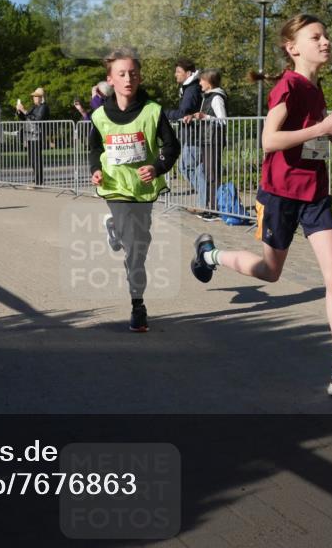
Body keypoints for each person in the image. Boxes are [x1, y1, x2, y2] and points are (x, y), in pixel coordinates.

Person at [189, 14, 332, 397]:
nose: (326, 41)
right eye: (316, 37)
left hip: (315, 194)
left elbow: (311, 143)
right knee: (270, 272)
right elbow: (269, 140)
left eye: (327, 35)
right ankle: (209, 255)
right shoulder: (289, 86)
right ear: (294, 48)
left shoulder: (316, 88)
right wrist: (320, 129)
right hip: (280, 194)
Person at [89, 47, 180, 333]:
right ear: (110, 79)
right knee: (133, 245)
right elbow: (94, 147)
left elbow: (171, 146)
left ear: (139, 78)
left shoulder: (153, 111)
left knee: (141, 243)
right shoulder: (100, 115)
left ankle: (115, 228)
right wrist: (95, 169)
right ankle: (138, 306)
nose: (128, 78)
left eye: (133, 74)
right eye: (122, 74)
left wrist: (156, 167)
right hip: (115, 185)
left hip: (143, 188)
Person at [181, 69, 228, 221]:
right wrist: (196, 116)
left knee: (212, 174)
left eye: (202, 80)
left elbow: (223, 120)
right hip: (206, 139)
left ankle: (214, 209)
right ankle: (210, 206)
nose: (199, 83)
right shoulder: (207, 97)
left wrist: (205, 116)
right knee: (207, 173)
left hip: (213, 140)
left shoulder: (216, 98)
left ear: (209, 82)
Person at [164, 58, 204, 208]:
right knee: (196, 169)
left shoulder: (192, 89)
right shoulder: (189, 88)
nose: (176, 74)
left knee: (185, 167)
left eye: (178, 72)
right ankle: (205, 200)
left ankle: (206, 198)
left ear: (188, 73)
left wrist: (164, 113)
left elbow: (183, 112)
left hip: (195, 135)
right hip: (193, 134)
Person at [16, 87, 50, 186]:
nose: (34, 98)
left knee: (36, 158)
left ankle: (39, 180)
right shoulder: (34, 107)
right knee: (32, 158)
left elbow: (37, 119)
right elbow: (25, 118)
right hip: (30, 135)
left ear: (41, 97)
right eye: (34, 96)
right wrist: (19, 111)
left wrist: (24, 111)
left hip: (37, 134)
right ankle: (36, 178)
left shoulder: (44, 107)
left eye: (36, 96)